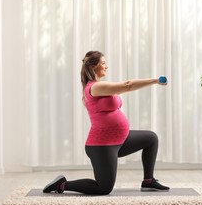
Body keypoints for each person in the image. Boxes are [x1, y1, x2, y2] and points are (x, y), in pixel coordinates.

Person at [43, 51, 169, 195]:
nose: (106, 66)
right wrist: (155, 81)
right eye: (103, 63)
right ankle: (62, 185)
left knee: (151, 138)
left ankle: (148, 181)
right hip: (102, 146)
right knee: (103, 188)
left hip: (119, 141)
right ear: (93, 67)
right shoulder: (94, 87)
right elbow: (127, 85)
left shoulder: (98, 87)